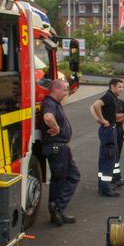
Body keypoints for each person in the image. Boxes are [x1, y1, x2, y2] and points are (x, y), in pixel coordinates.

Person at [40, 79, 80, 226]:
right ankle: (56, 208)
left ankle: (57, 209)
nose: (66, 92)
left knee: (70, 176)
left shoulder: (55, 103)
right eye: (65, 89)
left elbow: (62, 99)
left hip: (61, 147)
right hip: (57, 146)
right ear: (56, 90)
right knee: (61, 179)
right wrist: (56, 128)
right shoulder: (49, 103)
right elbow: (48, 117)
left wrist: (71, 92)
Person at [89, 78, 123, 197]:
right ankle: (106, 189)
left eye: (122, 87)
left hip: (107, 129)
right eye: (119, 87)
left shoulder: (111, 97)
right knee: (109, 158)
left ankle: (102, 187)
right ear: (112, 87)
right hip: (109, 130)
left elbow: (92, 107)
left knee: (104, 158)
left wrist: (99, 119)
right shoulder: (109, 96)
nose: (121, 89)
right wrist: (102, 120)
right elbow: (96, 105)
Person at [112, 98, 124, 188]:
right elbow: (109, 117)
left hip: (119, 130)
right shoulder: (106, 102)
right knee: (114, 155)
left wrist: (117, 118)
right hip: (111, 130)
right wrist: (121, 116)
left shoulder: (121, 102)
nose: (120, 90)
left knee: (118, 154)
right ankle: (117, 178)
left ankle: (113, 176)